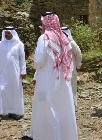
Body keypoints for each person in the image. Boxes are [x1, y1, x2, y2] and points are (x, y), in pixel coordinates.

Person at [31, 12, 78, 140]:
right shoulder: (62, 37)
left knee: (47, 110)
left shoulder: (44, 38)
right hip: (62, 80)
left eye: (43, 23)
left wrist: (34, 63)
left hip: (47, 80)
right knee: (62, 109)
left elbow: (39, 61)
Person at [0, 26, 26, 122]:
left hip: (15, 72)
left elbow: (22, 59)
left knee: (14, 91)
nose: (6, 34)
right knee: (1, 90)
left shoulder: (19, 44)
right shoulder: (0, 44)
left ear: (13, 33)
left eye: (8, 33)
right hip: (2, 72)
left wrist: (23, 71)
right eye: (5, 33)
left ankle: (13, 112)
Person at [61, 26, 82, 107]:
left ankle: (73, 104)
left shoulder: (72, 43)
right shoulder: (60, 43)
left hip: (72, 68)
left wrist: (78, 66)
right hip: (63, 69)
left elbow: (79, 54)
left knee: (72, 86)